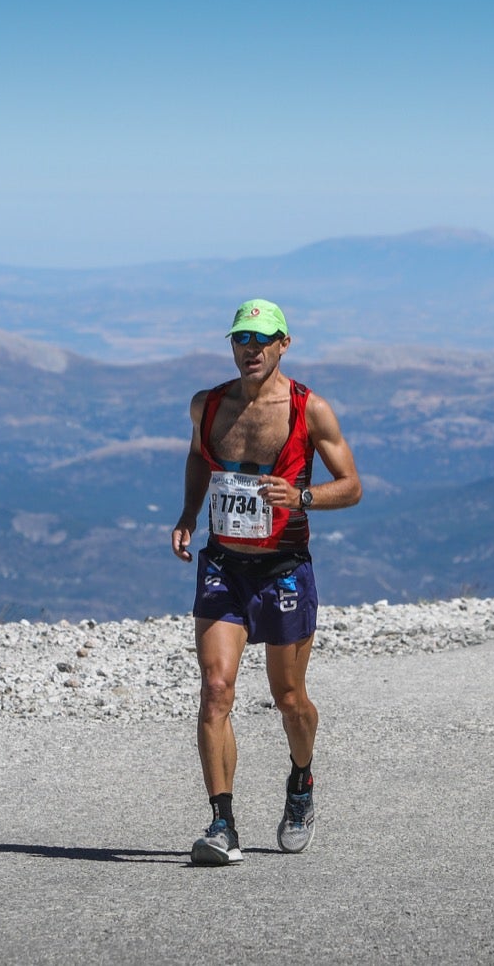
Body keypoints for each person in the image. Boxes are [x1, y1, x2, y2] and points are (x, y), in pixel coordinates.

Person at [171, 298, 362, 865]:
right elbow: (199, 460)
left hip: (283, 568)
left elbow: (351, 486)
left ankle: (301, 781)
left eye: (261, 340)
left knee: (289, 699)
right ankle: (222, 824)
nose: (250, 351)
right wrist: (187, 515)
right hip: (223, 564)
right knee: (215, 690)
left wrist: (302, 495)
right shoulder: (207, 406)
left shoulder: (311, 409)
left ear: (284, 343)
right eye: (241, 340)